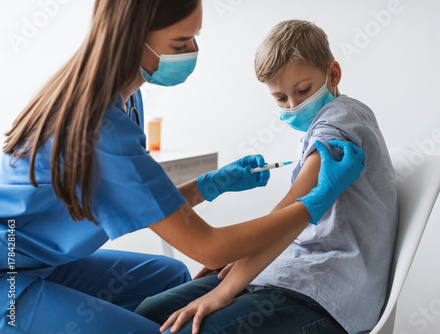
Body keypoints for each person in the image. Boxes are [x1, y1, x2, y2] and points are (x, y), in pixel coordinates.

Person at [0, 2, 365, 334]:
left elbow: (147, 202)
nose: (192, 51)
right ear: (132, 40)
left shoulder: (126, 99)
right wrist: (314, 203)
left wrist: (211, 185)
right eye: (179, 43)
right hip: (9, 275)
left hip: (36, 257)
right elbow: (210, 248)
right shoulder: (101, 130)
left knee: (169, 273)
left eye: (194, 37)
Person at [134, 20, 398, 334]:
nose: (293, 105)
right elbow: (288, 219)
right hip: (292, 271)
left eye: (303, 91)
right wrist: (247, 260)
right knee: (150, 314)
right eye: (280, 98)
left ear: (333, 74)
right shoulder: (327, 123)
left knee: (203, 328)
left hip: (327, 291)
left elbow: (293, 210)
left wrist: (226, 289)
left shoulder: (339, 124)